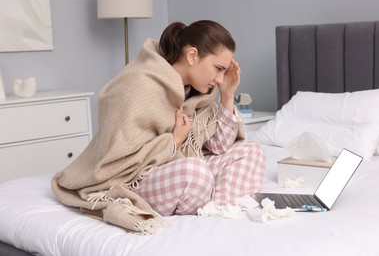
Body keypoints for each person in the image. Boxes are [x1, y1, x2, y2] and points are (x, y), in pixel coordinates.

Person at [52, 20, 265, 234]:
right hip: (137, 178)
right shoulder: (139, 85)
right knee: (195, 172)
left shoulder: (198, 94)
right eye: (218, 69)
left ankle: (215, 211)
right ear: (192, 56)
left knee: (251, 151)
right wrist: (174, 141)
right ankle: (210, 200)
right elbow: (117, 155)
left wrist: (227, 96)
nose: (219, 79)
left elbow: (219, 148)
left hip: (180, 169)